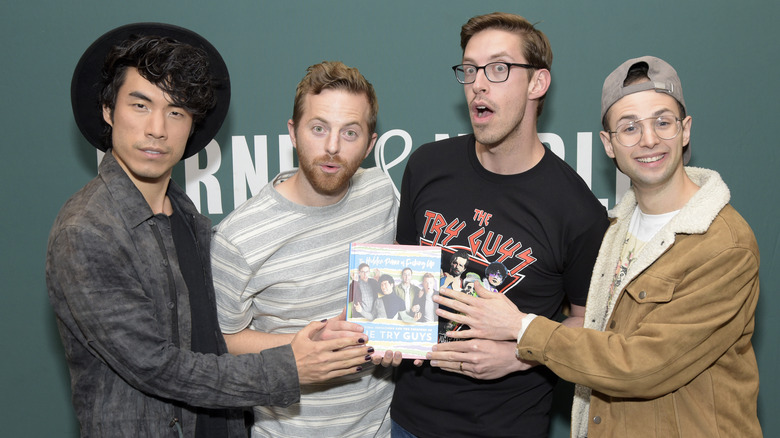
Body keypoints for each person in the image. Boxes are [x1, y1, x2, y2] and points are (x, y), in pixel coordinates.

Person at [46, 24, 374, 438]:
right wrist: (290, 364)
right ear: (109, 112)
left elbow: (210, 338)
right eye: (141, 105)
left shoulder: (185, 216)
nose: (158, 129)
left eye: (176, 111)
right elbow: (157, 367)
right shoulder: (86, 231)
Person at [435, 56, 762, 437]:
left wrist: (519, 327)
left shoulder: (723, 244)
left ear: (685, 130)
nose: (649, 139)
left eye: (662, 122)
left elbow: (643, 365)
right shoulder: (612, 231)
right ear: (608, 144)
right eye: (629, 127)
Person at [391, 12, 609, 438]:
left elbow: (589, 324)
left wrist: (519, 355)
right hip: (410, 422)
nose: (478, 83)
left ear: (537, 83)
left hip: (508, 425)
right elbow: (401, 274)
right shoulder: (427, 166)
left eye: (498, 68)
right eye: (470, 69)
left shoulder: (577, 210)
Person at [211, 61, 399, 437]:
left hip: (380, 429)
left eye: (350, 132)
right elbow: (222, 342)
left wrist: (398, 338)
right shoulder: (239, 237)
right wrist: (299, 348)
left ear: (370, 145)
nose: (332, 147)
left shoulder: (383, 194)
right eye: (318, 128)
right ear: (293, 133)